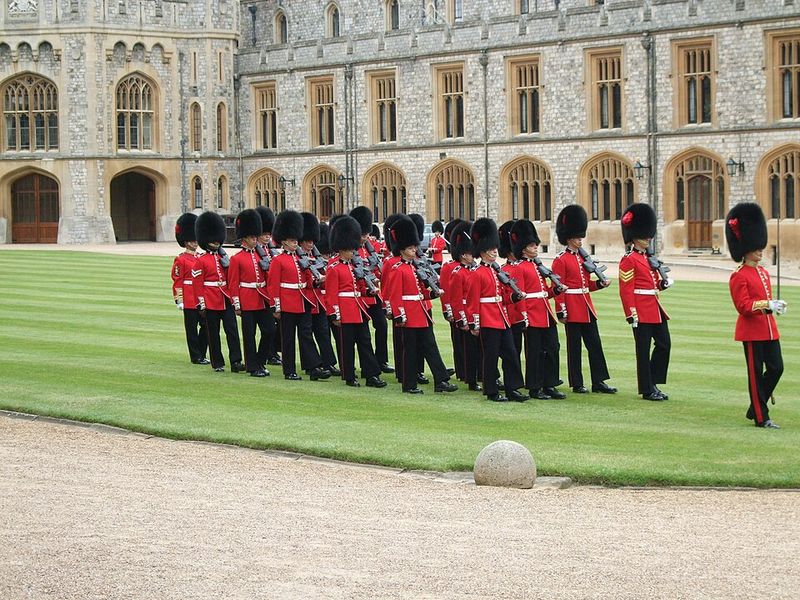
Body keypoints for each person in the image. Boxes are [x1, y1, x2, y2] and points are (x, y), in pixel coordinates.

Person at [725, 202, 786, 428]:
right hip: (751, 331)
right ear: (746, 247)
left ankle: (755, 406)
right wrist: (766, 304)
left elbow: (764, 301)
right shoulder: (738, 276)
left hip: (769, 329)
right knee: (755, 374)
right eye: (757, 247)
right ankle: (762, 417)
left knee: (777, 368)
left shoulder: (763, 272)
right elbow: (743, 306)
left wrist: (774, 305)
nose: (761, 250)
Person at [387, 217, 457, 395]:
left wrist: (432, 294)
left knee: (430, 346)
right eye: (411, 248)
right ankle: (409, 384)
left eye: (414, 247)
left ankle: (441, 380)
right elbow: (395, 295)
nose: (414, 250)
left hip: (421, 313)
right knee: (410, 351)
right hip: (409, 316)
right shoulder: (397, 269)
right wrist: (400, 315)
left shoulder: (413, 267)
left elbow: (420, 291)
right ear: (402, 250)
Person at [551, 204, 616, 395]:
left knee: (595, 345)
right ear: (569, 238)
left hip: (586, 306)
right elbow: (559, 287)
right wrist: (561, 309)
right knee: (575, 348)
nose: (580, 241)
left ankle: (599, 381)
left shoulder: (582, 259)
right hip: (572, 308)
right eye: (578, 238)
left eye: (581, 237)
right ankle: (577, 383)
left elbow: (586, 285)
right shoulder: (560, 260)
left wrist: (600, 285)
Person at [465, 218, 528, 403]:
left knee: (510, 355)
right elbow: (472, 301)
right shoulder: (477, 273)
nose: (495, 251)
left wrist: (514, 297)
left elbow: (501, 296)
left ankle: (512, 388)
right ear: (483, 251)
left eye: (495, 248)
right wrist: (474, 323)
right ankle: (491, 390)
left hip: (502, 318)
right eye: (492, 249)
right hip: (487, 319)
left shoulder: (496, 270)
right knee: (490, 358)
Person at [266, 209, 331, 382]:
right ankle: (289, 370)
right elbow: (273, 285)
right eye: (292, 240)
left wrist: (318, 281)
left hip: (304, 301)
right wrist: (276, 306)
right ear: (284, 241)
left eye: (296, 240)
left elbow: (309, 281)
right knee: (288, 339)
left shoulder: (301, 259)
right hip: (287, 303)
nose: (295, 243)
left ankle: (313, 367)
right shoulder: (278, 261)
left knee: (306, 335)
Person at [325, 215, 387, 389]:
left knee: (365, 342)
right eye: (350, 249)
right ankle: (349, 375)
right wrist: (335, 313)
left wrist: (369, 290)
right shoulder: (333, 267)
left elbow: (359, 287)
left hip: (359, 309)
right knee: (347, 345)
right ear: (342, 248)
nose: (353, 252)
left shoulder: (354, 266)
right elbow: (331, 294)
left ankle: (371, 374)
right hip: (345, 310)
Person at [618, 203, 672, 401]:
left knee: (664, 344)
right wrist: (631, 313)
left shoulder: (649, 258)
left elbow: (652, 284)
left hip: (655, 308)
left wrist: (663, 284)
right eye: (644, 235)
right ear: (635, 237)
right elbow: (626, 289)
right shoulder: (628, 259)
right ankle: (647, 389)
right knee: (642, 351)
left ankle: (654, 382)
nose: (648, 238)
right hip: (640, 310)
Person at [510, 219, 566, 400]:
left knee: (552, 348)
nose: (535, 248)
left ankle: (550, 383)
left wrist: (556, 290)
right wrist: (524, 316)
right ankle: (534, 387)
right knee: (534, 352)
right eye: (532, 245)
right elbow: (520, 295)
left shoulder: (537, 266)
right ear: (524, 248)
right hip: (532, 314)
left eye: (535, 245)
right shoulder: (519, 268)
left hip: (545, 312)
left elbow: (543, 293)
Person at [192, 211, 244, 373]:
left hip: (225, 298)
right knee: (213, 334)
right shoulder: (201, 261)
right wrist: (201, 304)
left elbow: (232, 279)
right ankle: (217, 362)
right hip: (210, 300)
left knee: (232, 332)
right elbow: (197, 284)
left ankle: (236, 361)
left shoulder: (224, 259)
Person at [228, 209, 270, 377]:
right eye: (253, 237)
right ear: (244, 238)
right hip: (247, 299)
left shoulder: (261, 256)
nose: (255, 240)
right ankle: (252, 367)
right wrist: (236, 304)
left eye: (256, 237)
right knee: (249, 335)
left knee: (269, 331)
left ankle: (260, 361)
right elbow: (233, 283)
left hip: (262, 298)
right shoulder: (236, 259)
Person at [350, 206, 393, 374]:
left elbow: (375, 267)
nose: (365, 237)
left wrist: (378, 275)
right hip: (360, 296)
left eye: (367, 234)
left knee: (381, 326)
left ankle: (381, 360)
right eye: (363, 234)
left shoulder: (369, 248)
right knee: (362, 333)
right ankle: (365, 364)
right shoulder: (350, 249)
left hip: (374, 294)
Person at [301, 212, 339, 376]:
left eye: (312, 241)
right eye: (307, 241)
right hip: (305, 299)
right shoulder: (297, 257)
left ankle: (328, 363)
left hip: (319, 300)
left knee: (323, 332)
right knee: (306, 333)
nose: (310, 244)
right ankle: (312, 365)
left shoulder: (314, 255)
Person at [447, 220, 482, 391]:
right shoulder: (457, 273)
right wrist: (462, 320)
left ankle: (480, 375)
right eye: (469, 253)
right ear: (463, 255)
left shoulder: (474, 271)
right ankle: (470, 379)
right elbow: (455, 299)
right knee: (469, 350)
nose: (472, 256)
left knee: (479, 349)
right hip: (465, 316)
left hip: (475, 314)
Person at [171, 212, 209, 365]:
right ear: (186, 242)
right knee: (191, 329)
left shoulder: (200, 257)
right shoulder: (181, 259)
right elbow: (177, 280)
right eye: (192, 240)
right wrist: (179, 300)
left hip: (200, 297)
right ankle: (195, 356)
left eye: (195, 240)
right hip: (188, 298)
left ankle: (201, 352)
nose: (195, 243)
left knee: (206, 326)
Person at [255, 205, 281, 367]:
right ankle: (267, 355)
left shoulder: (270, 250)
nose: (266, 237)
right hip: (261, 294)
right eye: (263, 234)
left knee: (275, 326)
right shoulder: (255, 251)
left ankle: (272, 352)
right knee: (269, 327)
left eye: (268, 234)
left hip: (272, 293)